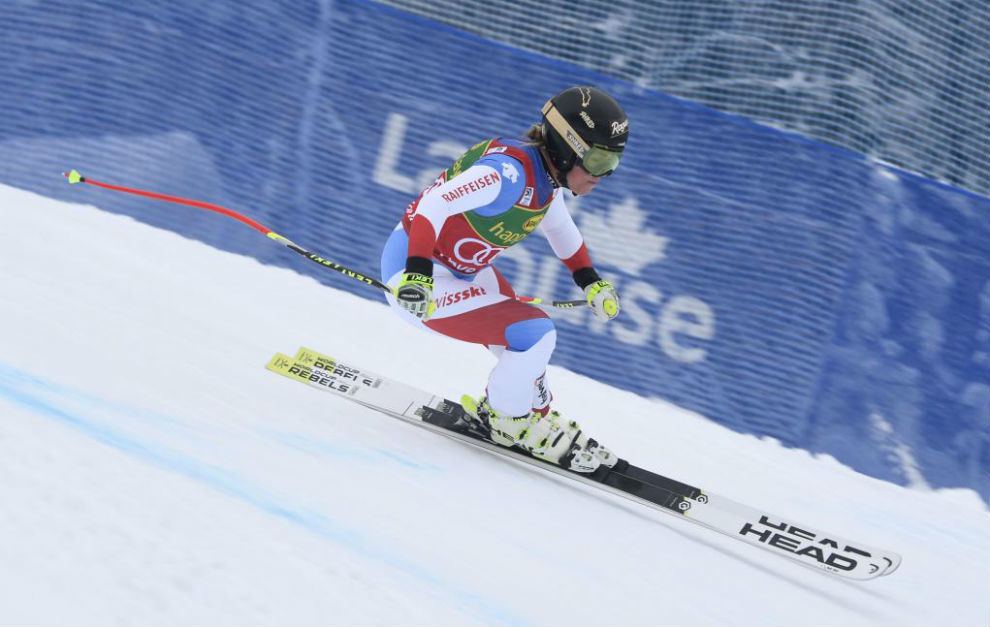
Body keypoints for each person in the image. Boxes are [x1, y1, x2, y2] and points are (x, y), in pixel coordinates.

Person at [380, 86, 628, 473]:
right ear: (567, 147)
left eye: (612, 164)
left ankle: (534, 414)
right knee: (537, 333)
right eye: (597, 161)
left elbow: (562, 232)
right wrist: (418, 275)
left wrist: (591, 282)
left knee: (525, 340)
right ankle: (508, 421)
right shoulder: (506, 174)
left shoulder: (546, 181)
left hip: (463, 273)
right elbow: (433, 204)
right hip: (417, 280)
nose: (603, 176)